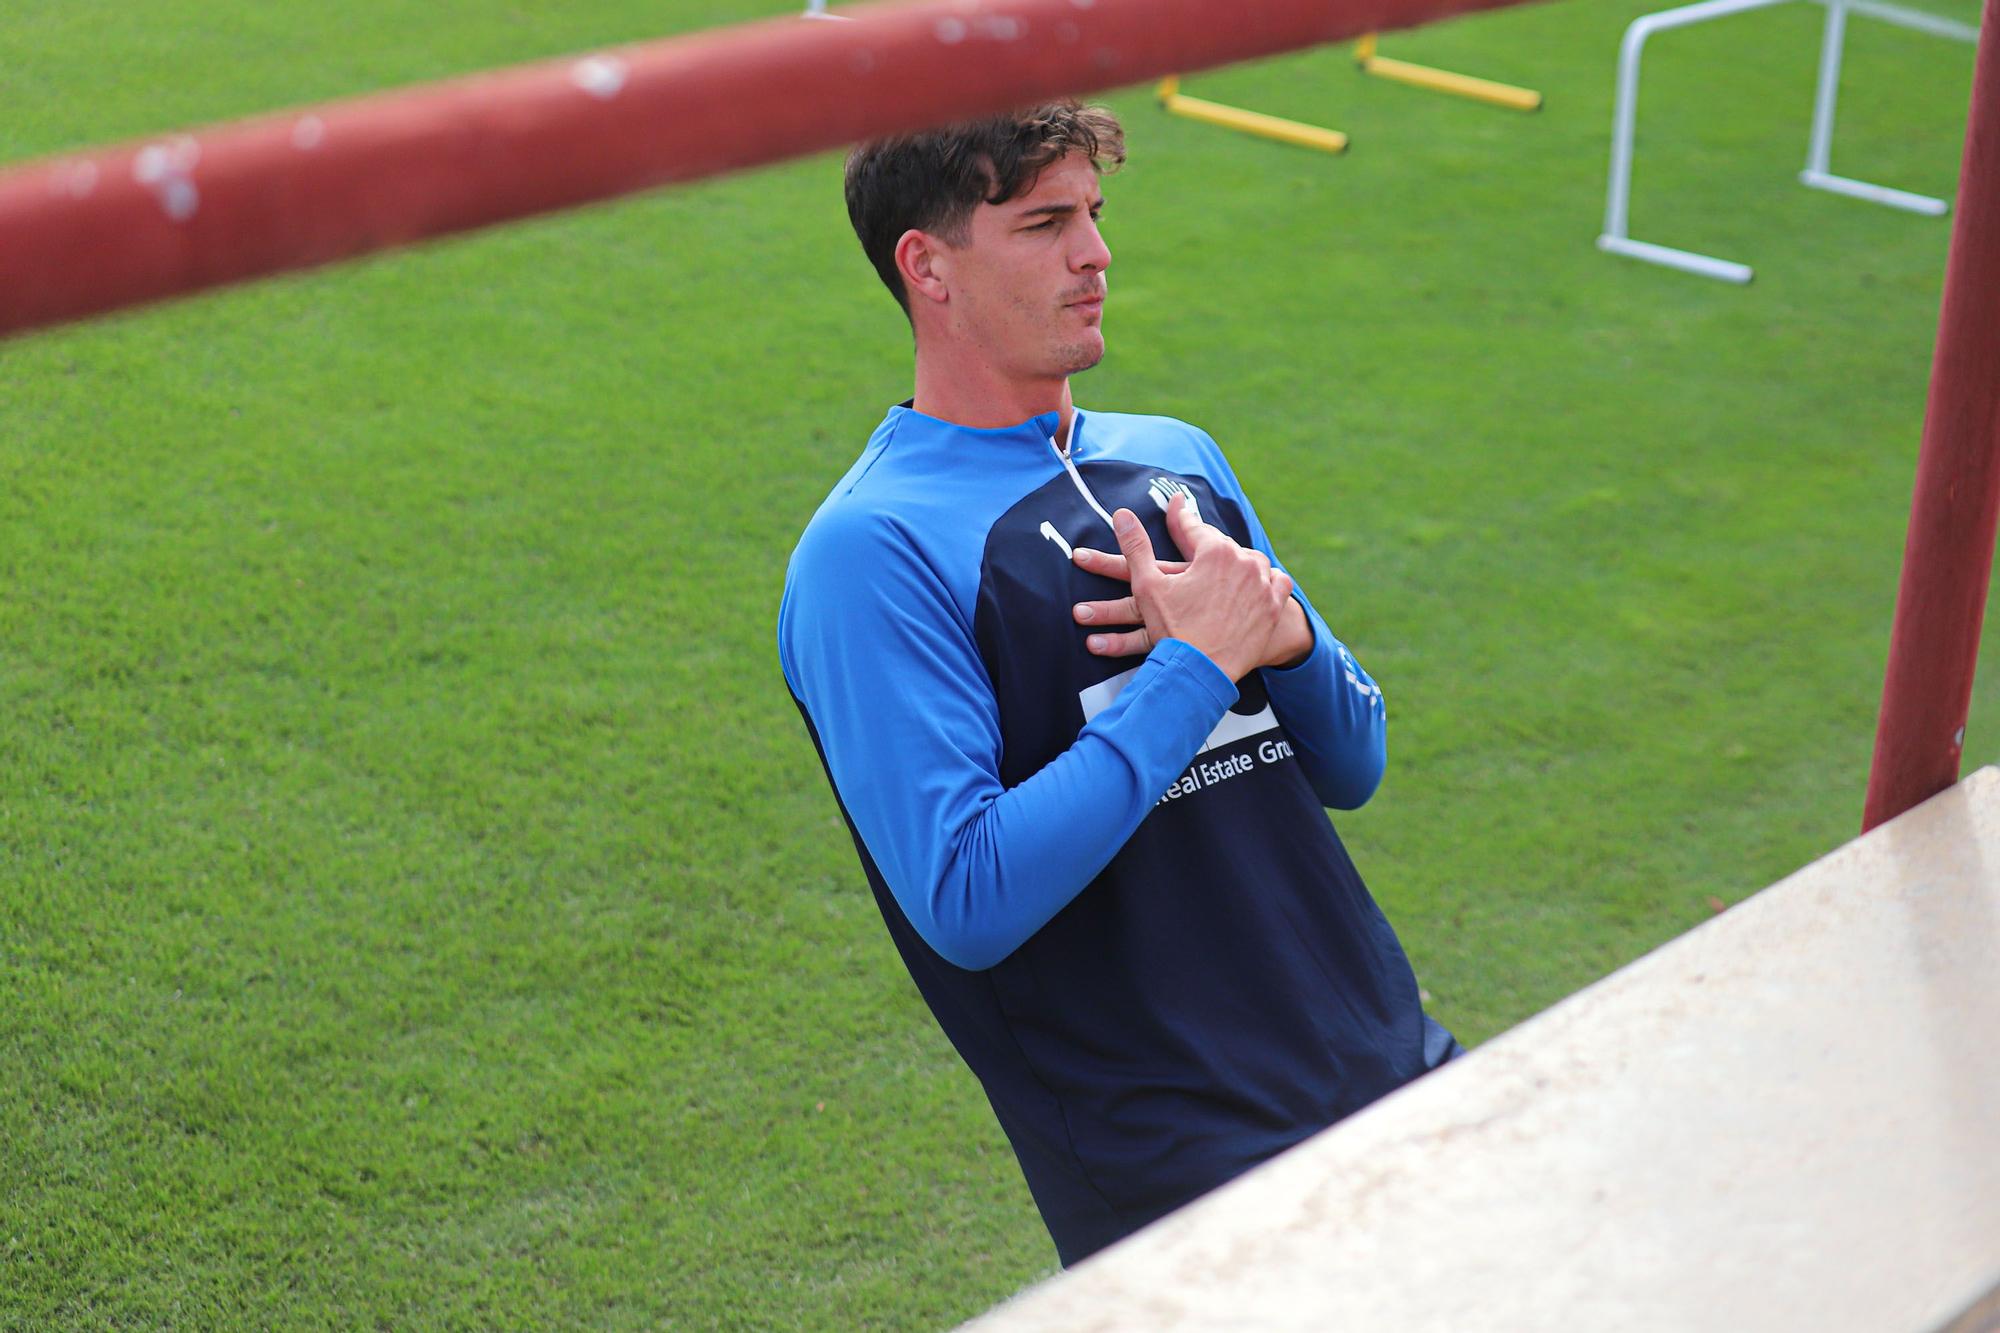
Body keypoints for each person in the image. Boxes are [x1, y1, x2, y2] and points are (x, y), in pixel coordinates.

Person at [777, 100, 1461, 1267]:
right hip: (1183, 1173)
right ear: (926, 266)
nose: (1095, 254)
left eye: (1092, 215)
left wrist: (1281, 637)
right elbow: (967, 895)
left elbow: (1353, 764)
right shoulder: (869, 552)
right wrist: (1193, 667)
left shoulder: (1175, 458)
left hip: (1397, 1062)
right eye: (1045, 224)